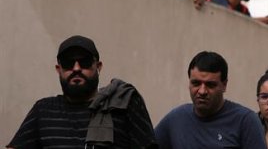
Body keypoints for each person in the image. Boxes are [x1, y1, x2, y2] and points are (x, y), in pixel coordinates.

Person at [7, 35, 157, 148]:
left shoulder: (124, 103)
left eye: (84, 61)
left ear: (98, 67)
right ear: (58, 69)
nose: (76, 68)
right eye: (68, 62)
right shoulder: (43, 110)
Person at [155, 51, 267, 148]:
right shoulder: (176, 119)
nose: (202, 91)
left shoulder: (246, 121)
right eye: (196, 83)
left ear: (224, 85)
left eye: (210, 85)